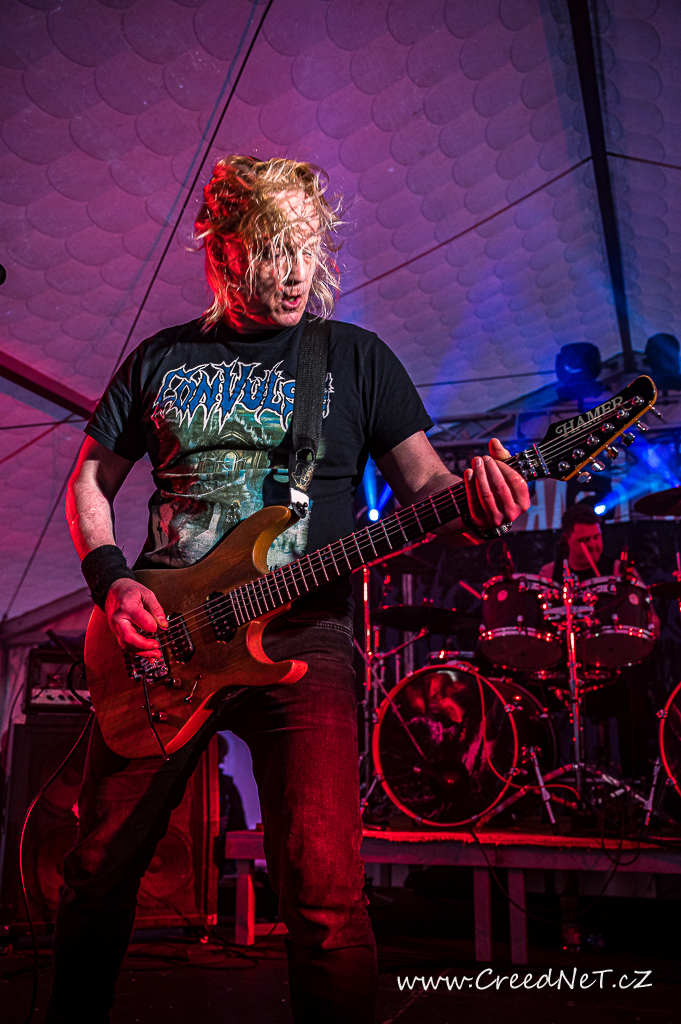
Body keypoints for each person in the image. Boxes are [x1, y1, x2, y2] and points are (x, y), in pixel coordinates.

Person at [47, 156, 530, 1024]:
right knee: (95, 872)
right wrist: (112, 582)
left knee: (323, 889)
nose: (296, 272)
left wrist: (479, 501)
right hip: (166, 642)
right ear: (223, 254)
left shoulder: (356, 358)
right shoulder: (160, 358)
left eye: (308, 249)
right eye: (273, 252)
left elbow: (428, 488)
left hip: (304, 638)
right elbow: (90, 482)